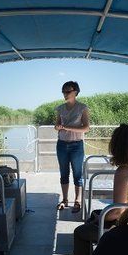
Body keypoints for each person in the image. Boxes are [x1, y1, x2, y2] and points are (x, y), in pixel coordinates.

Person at [71, 124, 128, 255]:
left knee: (81, 232)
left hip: (127, 223)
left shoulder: (124, 172)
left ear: (117, 148)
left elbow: (117, 211)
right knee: (95, 214)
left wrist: (99, 219)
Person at [54, 81, 90, 213]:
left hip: (76, 145)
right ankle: (64, 200)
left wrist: (66, 127)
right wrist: (58, 127)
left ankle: (77, 201)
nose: (65, 93)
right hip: (62, 144)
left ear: (75, 92)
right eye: (63, 91)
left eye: (67, 91)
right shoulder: (60, 108)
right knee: (64, 173)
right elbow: (56, 125)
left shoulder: (82, 108)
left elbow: (86, 128)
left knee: (77, 174)